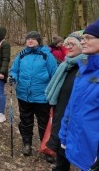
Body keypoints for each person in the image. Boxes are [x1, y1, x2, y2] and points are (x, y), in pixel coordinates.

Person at [8, 31, 57, 159]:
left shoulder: (46, 55)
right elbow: (14, 70)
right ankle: (27, 144)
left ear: (38, 41)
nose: (30, 41)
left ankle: (46, 148)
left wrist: (53, 94)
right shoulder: (22, 55)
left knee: (44, 123)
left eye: (33, 39)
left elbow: (54, 74)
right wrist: (12, 77)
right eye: (28, 39)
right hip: (24, 95)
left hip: (42, 96)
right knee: (26, 121)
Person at [59, 19, 99, 171]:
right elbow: (71, 107)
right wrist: (63, 135)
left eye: (88, 38)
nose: (83, 41)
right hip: (80, 144)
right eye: (83, 38)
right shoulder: (83, 70)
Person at [45, 30, 86, 170]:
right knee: (60, 147)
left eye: (72, 44)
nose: (68, 46)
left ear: (81, 46)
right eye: (67, 43)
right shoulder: (65, 65)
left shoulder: (84, 67)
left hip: (75, 116)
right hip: (60, 111)